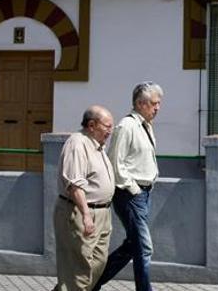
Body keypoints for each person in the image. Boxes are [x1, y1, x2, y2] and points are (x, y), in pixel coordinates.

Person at [93, 82, 163, 291]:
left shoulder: (145, 125)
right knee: (144, 247)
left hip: (143, 194)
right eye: (154, 103)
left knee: (132, 245)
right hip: (130, 195)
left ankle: (91, 283)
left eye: (159, 103)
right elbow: (115, 163)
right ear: (141, 103)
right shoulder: (127, 126)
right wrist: (133, 189)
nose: (157, 107)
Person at [53, 105, 115, 291]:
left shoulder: (98, 146)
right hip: (80, 212)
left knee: (97, 264)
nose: (110, 131)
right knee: (79, 270)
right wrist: (86, 215)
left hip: (102, 213)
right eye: (107, 126)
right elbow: (74, 185)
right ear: (91, 125)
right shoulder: (77, 144)